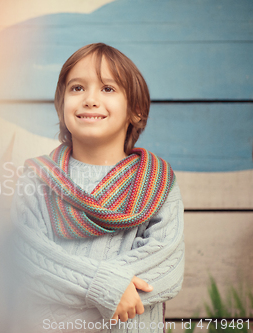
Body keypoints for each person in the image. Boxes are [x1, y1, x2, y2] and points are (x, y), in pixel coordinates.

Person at [9, 43, 185, 333]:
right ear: (60, 104)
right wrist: (105, 286)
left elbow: (165, 266)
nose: (90, 99)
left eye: (108, 89)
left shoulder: (157, 183)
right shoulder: (37, 179)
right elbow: (27, 258)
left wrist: (79, 282)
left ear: (136, 111)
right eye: (77, 88)